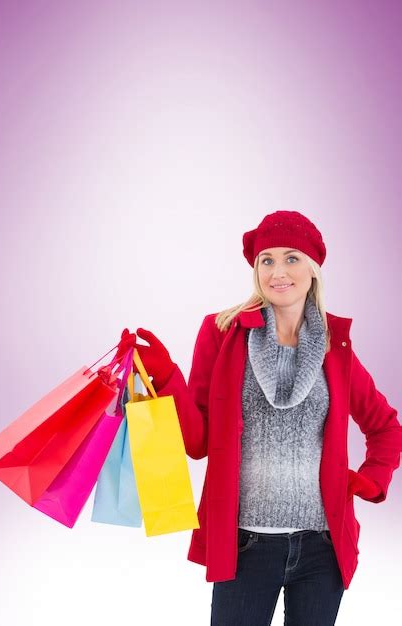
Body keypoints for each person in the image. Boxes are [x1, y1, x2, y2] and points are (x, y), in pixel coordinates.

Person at [118, 210, 402, 626]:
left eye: (291, 258)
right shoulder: (223, 333)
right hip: (245, 546)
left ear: (313, 269)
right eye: (266, 260)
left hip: (322, 547)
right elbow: (198, 442)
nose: (278, 271)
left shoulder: (333, 347)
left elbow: (385, 427)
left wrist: (371, 478)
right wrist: (166, 376)